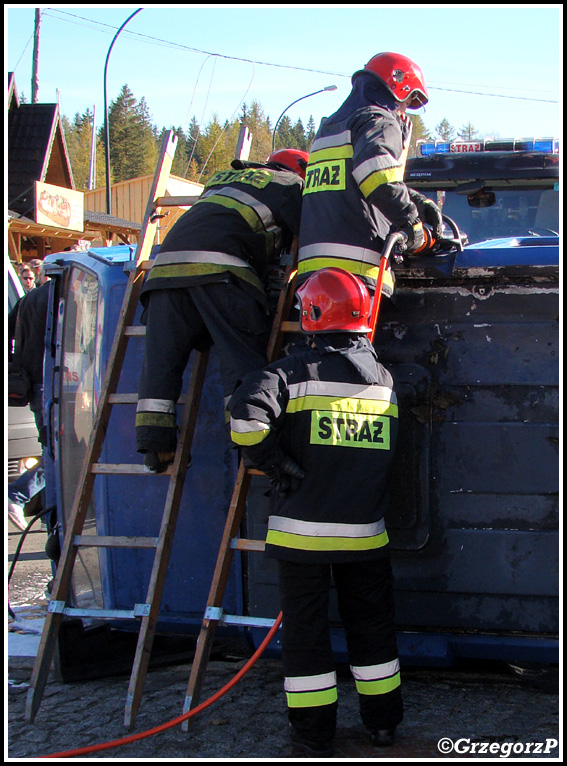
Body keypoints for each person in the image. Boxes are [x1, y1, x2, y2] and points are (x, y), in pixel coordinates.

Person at [228, 267, 402, 756]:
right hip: (366, 536)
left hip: (301, 538)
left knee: (307, 637)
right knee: (373, 632)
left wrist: (271, 460)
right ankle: (384, 726)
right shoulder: (384, 382)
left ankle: (312, 735)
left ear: (310, 314)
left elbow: (245, 421)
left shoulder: (286, 373)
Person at [136, 148, 308, 473]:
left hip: (162, 273)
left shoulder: (219, 180)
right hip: (220, 270)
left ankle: (154, 447)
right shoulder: (289, 184)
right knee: (241, 358)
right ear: (300, 170)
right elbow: (308, 229)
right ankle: (248, 443)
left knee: (162, 361)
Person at [297, 52, 443, 299]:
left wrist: (417, 201)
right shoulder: (379, 120)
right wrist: (411, 221)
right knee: (352, 340)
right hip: (356, 269)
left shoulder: (330, 126)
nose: (404, 110)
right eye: (407, 101)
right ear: (398, 87)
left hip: (312, 271)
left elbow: (353, 181)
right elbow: (376, 177)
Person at [8, 279, 50, 530]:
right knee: (59, 452)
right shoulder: (62, 297)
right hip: (53, 383)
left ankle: (49, 516)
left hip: (34, 381)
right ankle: (17, 494)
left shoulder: (30, 298)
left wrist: (15, 364)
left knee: (52, 448)